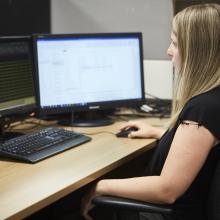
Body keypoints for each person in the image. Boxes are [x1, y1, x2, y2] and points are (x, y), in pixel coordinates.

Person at [81, 3, 220, 220]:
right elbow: (202, 146)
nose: (168, 51)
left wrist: (100, 186)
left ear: (197, 51)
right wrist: (160, 133)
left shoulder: (203, 107)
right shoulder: (214, 98)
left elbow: (167, 190)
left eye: (174, 43)